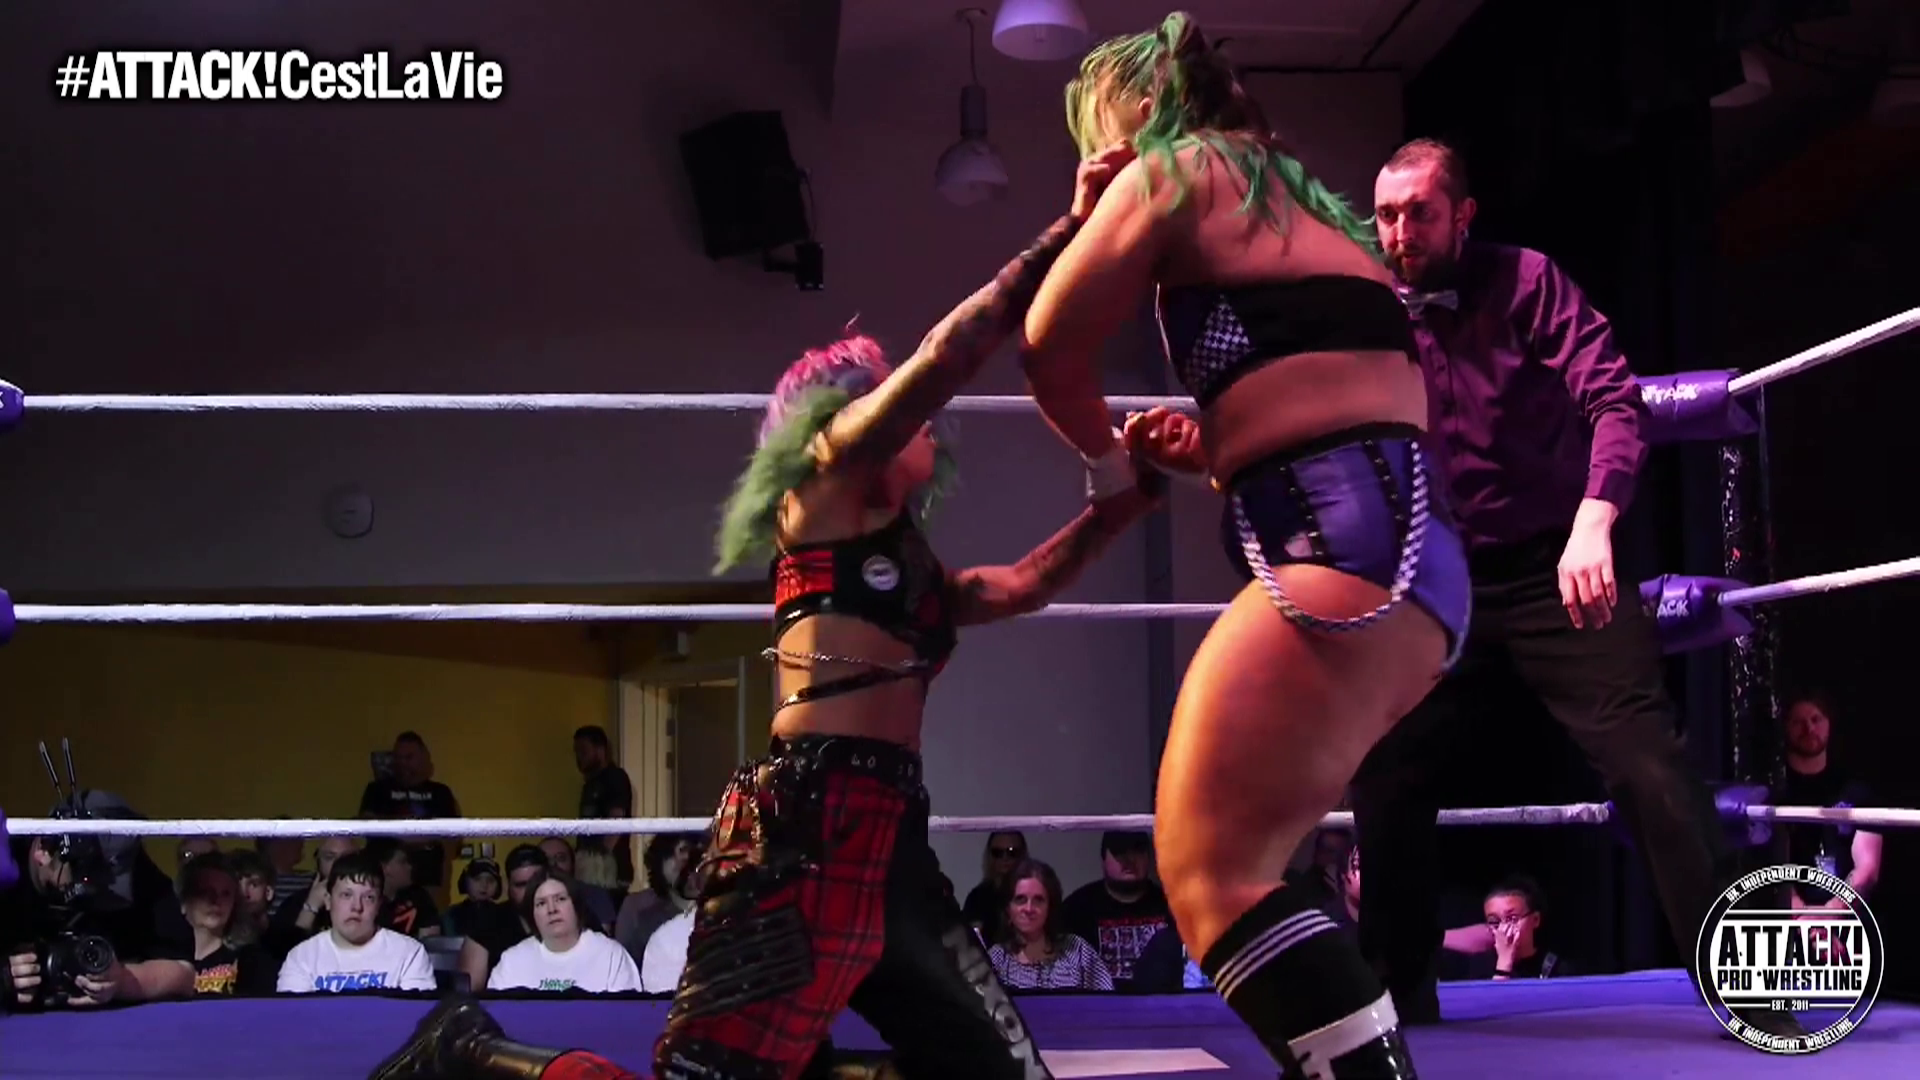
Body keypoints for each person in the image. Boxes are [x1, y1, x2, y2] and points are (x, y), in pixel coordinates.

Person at [369, 140, 1159, 1080]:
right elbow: (945, 360)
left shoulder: (910, 570)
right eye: (902, 412)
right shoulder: (822, 488)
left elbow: (1021, 586)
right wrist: (1069, 231)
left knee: (1000, 1074)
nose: (930, 432)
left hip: (895, 844)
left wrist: (1130, 493)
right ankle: (471, 1047)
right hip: (803, 825)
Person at [1017, 13, 1470, 1076]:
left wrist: (1109, 473)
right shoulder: (1310, 203)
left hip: (1348, 557)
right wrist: (1218, 451)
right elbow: (1339, 396)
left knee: (1213, 874)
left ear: (1141, 108)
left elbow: (1049, 346)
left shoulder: (1172, 172)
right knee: (1253, 860)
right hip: (1419, 569)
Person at [1351, 135, 1797, 1035]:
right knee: (1386, 765)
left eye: (1419, 213)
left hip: (1558, 563)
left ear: (1462, 216)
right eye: (1387, 215)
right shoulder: (1365, 305)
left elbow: (1613, 399)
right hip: (1441, 576)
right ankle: (1396, 999)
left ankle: (1755, 991)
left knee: (1649, 762)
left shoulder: (1525, 281)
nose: (1399, 232)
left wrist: (1595, 519)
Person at [1, 791, 197, 1008]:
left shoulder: (130, 870)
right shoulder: (7, 869)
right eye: (85, 877)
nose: (99, 889)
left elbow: (184, 973)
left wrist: (123, 981)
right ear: (44, 849)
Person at [487, 870, 641, 994]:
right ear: (532, 914)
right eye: (541, 903)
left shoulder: (611, 955)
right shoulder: (512, 962)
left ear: (576, 905)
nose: (552, 909)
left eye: (560, 899)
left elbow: (628, 1015)